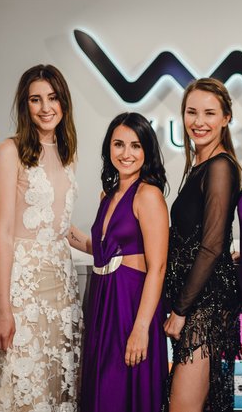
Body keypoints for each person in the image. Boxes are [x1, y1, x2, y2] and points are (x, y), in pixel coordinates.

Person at [0, 64, 89, 411]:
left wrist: (106, 247)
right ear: (25, 105)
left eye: (52, 98)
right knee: (21, 385)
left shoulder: (68, 153)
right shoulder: (10, 151)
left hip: (62, 289)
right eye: (35, 99)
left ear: (64, 102)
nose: (45, 108)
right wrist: (4, 309)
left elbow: (61, 227)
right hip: (22, 289)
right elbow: (4, 233)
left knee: (58, 385)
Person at [163, 78, 242, 412]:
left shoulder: (220, 166)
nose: (199, 121)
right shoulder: (199, 165)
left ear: (226, 118)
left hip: (204, 307)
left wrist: (180, 311)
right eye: (191, 112)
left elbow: (211, 246)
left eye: (209, 113)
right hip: (196, 301)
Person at [80, 112, 169, 412]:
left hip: (130, 307)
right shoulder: (108, 196)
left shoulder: (148, 195)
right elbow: (104, 249)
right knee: (103, 393)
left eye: (135, 145)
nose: (126, 153)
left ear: (147, 150)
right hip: (103, 303)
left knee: (124, 392)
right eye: (119, 144)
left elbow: (158, 267)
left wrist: (141, 328)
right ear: (109, 147)